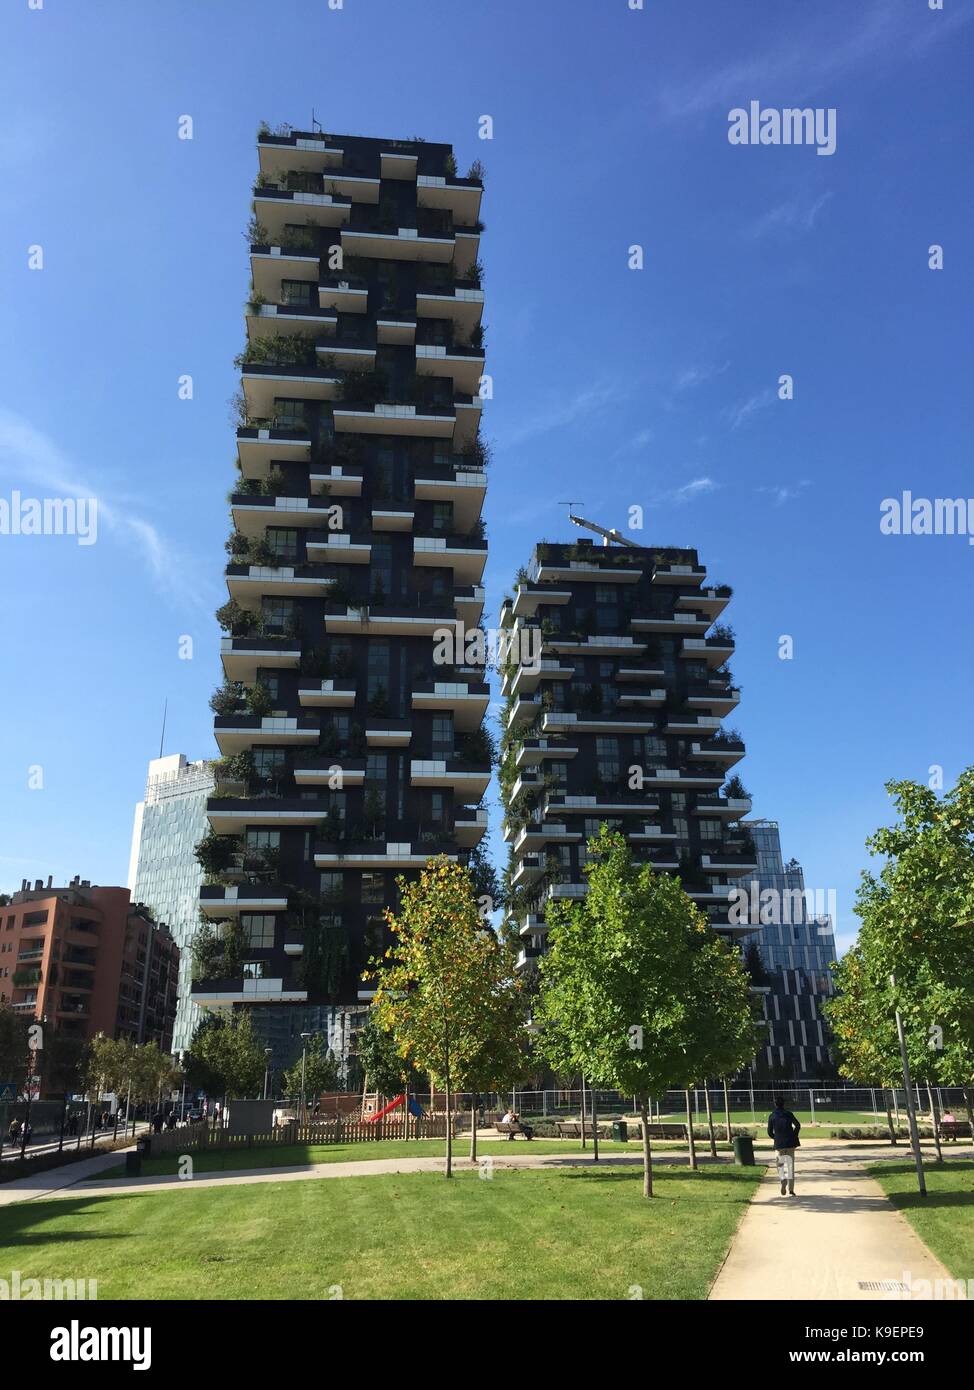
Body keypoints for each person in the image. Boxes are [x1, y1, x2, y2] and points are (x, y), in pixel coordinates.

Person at [767, 1096, 801, 1196]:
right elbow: (797, 1125)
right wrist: (794, 1135)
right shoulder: (789, 1114)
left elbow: (769, 1132)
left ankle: (783, 1179)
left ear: (775, 1104)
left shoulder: (772, 1116)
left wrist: (776, 1138)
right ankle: (791, 1189)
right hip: (790, 1143)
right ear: (784, 1104)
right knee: (791, 1166)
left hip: (779, 1144)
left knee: (779, 1165)